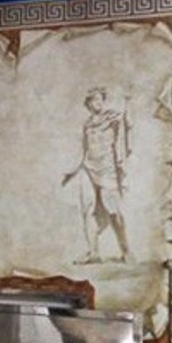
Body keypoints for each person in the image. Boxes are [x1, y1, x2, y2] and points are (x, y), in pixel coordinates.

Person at [60, 87, 132, 263]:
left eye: (100, 99)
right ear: (88, 104)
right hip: (88, 167)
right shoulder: (87, 124)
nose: (97, 103)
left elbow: (128, 126)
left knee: (114, 211)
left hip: (107, 169)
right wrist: (71, 171)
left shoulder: (112, 118)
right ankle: (93, 253)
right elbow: (84, 149)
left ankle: (126, 250)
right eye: (94, 100)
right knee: (88, 209)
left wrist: (128, 103)